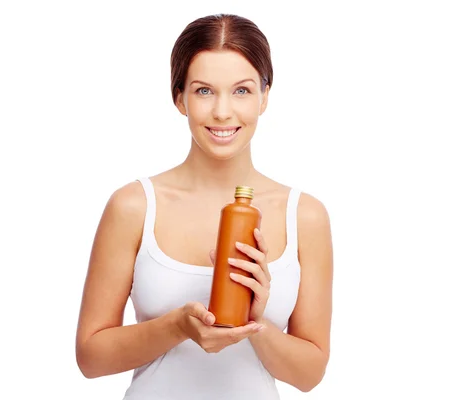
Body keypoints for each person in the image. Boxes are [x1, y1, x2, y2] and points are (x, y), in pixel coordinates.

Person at [75, 13, 333, 399]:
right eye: (204, 91)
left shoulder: (305, 215)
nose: (222, 112)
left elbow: (309, 375)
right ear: (179, 97)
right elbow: (91, 359)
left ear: (265, 96)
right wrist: (178, 327)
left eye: (242, 91)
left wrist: (254, 320)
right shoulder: (133, 206)